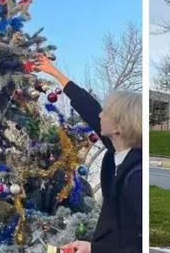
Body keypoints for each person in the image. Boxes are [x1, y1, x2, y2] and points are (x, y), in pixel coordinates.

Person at [34, 54, 142, 253]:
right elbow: (89, 107)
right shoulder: (115, 153)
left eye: (106, 112)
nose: (100, 114)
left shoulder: (137, 178)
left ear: (118, 127)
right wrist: (54, 72)